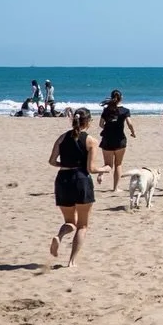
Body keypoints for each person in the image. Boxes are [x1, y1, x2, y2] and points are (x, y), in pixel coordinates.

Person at [47, 107, 109, 266]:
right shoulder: (91, 141)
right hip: (81, 180)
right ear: (87, 122)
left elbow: (52, 161)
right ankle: (72, 261)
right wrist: (106, 168)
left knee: (70, 222)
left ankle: (59, 236)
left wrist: (66, 164)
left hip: (63, 179)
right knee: (82, 225)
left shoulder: (62, 138)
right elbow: (91, 169)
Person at [98, 90, 136, 192]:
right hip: (120, 140)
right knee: (118, 164)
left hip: (107, 139)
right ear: (121, 98)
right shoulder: (125, 111)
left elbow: (101, 124)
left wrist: (108, 127)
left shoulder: (106, 110)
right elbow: (130, 124)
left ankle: (101, 172)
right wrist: (133, 132)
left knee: (108, 164)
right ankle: (115, 188)